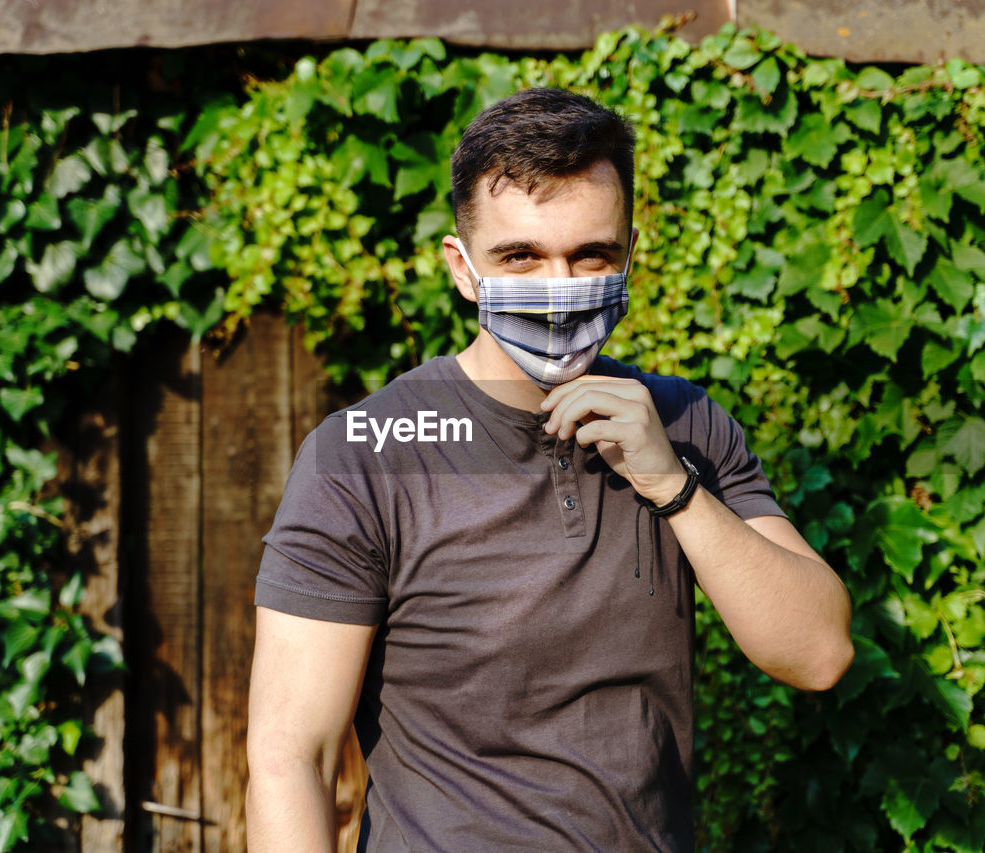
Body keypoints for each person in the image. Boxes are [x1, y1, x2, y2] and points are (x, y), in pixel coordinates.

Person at [246, 87, 853, 852]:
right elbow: (287, 755)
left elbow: (820, 652)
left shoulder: (683, 422)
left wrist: (672, 484)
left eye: (589, 254)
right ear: (463, 270)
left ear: (629, 255)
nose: (560, 290)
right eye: (522, 256)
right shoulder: (365, 454)